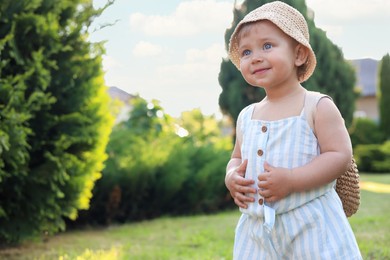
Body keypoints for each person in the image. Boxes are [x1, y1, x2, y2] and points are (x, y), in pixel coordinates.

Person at [224, 1, 362, 259]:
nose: (255, 57)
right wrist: (231, 176)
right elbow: (237, 158)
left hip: (311, 226)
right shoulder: (247, 116)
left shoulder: (316, 106)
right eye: (245, 52)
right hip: (257, 232)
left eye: (267, 46)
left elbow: (339, 156)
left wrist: (292, 179)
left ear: (298, 54)